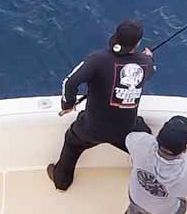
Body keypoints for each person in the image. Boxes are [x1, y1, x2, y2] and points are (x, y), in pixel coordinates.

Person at [47, 20, 156, 191]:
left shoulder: (97, 59)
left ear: (116, 36)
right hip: (126, 131)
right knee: (148, 143)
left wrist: (68, 104)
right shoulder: (146, 64)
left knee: (72, 141)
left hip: (92, 128)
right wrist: (148, 57)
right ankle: (147, 183)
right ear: (138, 43)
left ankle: (61, 181)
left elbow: (70, 82)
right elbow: (148, 71)